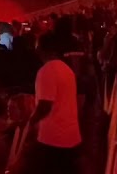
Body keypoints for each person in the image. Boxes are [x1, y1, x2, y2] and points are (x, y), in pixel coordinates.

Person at [25, 34, 81, 174]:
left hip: (53, 139)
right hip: (71, 136)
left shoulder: (46, 71)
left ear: (42, 48)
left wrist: (30, 122)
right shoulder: (67, 69)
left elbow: (45, 105)